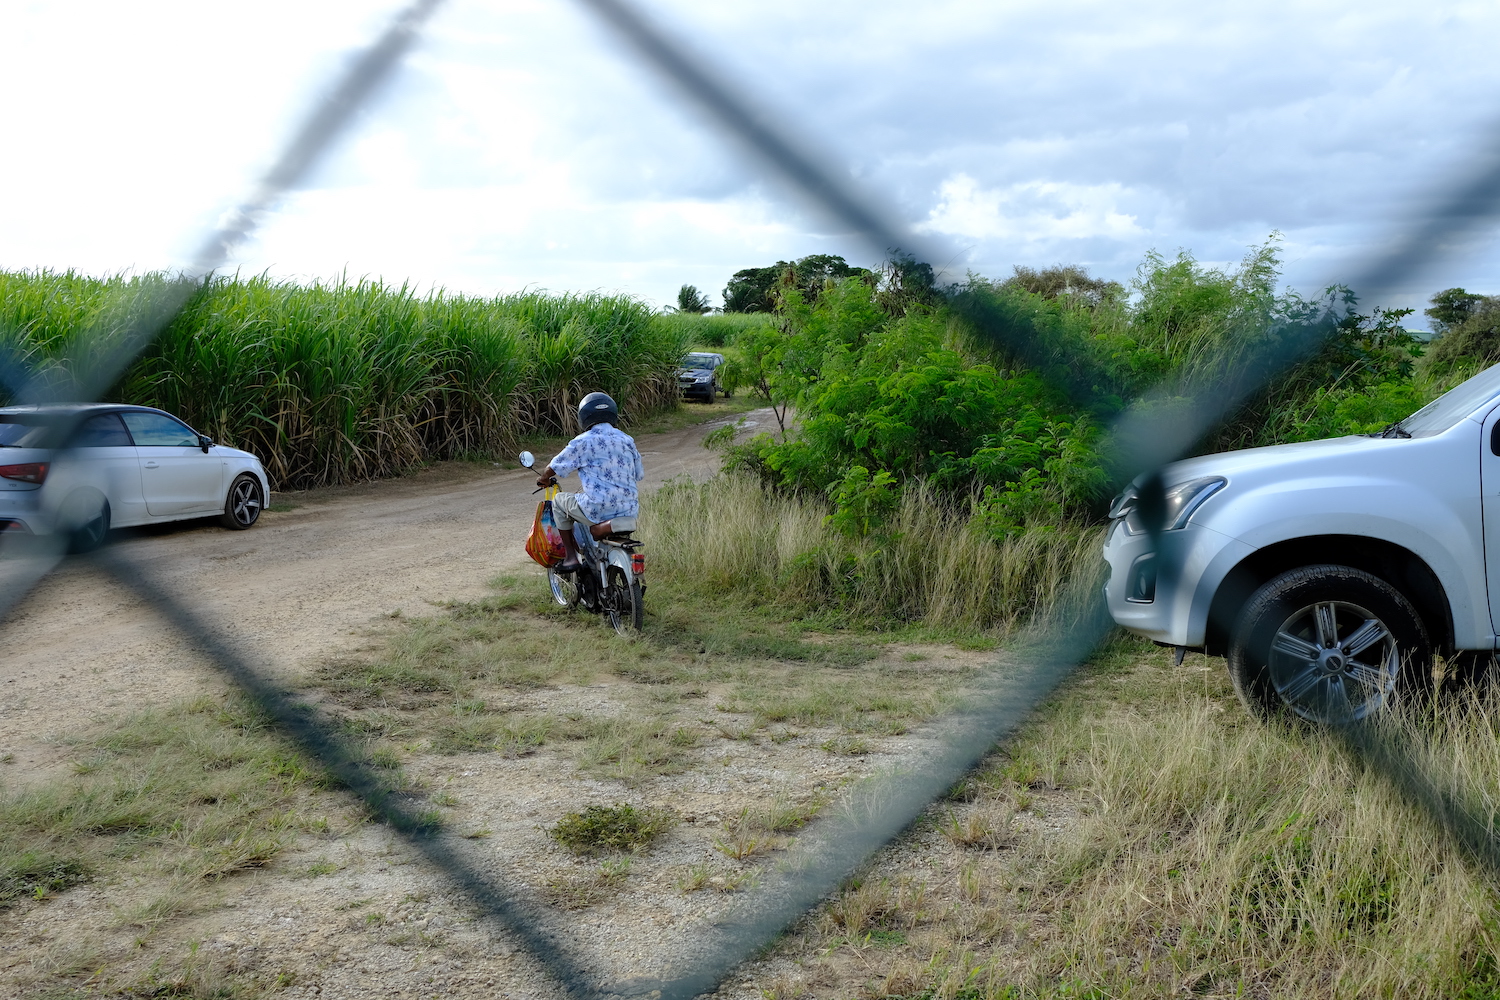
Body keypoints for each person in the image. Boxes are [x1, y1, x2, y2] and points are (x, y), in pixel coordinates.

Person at [536, 392, 644, 566]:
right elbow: (639, 474)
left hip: (598, 509)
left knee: (559, 501)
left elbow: (555, 466)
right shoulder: (627, 440)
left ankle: (571, 557)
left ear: (584, 417)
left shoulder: (583, 442)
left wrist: (544, 478)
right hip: (629, 509)